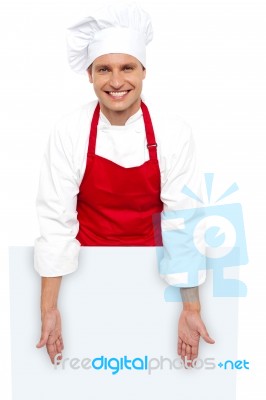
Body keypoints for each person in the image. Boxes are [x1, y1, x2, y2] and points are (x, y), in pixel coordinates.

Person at [35, 2, 215, 366]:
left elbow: (183, 221)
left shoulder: (173, 132)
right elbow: (56, 222)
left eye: (127, 68)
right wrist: (50, 308)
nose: (116, 82)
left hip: (156, 275)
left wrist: (190, 308)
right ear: (90, 75)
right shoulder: (69, 131)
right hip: (84, 273)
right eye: (104, 69)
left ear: (144, 70)